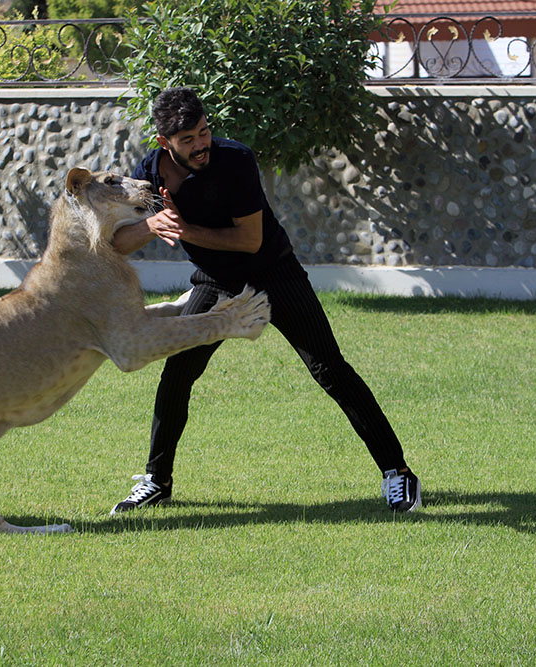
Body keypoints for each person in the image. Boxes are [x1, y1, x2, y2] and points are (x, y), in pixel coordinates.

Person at [110, 87, 421, 514]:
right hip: (215, 282)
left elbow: (249, 239)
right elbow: (118, 243)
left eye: (203, 132)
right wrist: (151, 225)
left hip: (274, 274)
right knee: (178, 373)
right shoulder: (149, 173)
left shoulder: (235, 160)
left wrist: (183, 230)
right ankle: (157, 481)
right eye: (187, 139)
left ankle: (397, 473)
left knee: (329, 369)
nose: (200, 144)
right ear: (165, 142)